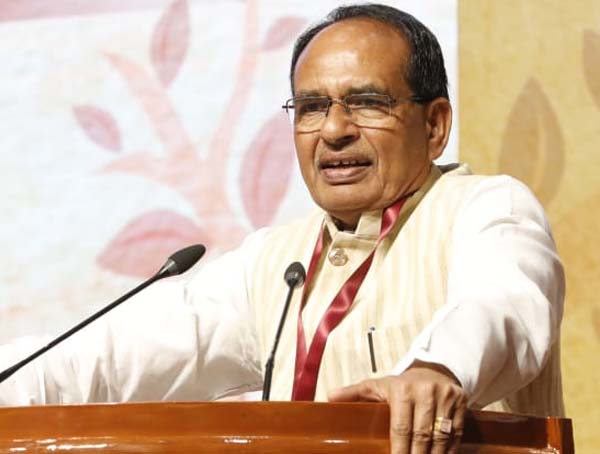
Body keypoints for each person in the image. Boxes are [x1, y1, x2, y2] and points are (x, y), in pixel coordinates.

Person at [0, 4, 564, 454]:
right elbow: (107, 361)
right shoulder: (277, 263)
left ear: (435, 125)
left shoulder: (485, 208)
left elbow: (504, 303)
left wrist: (437, 368)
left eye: (366, 102)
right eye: (312, 107)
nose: (334, 130)